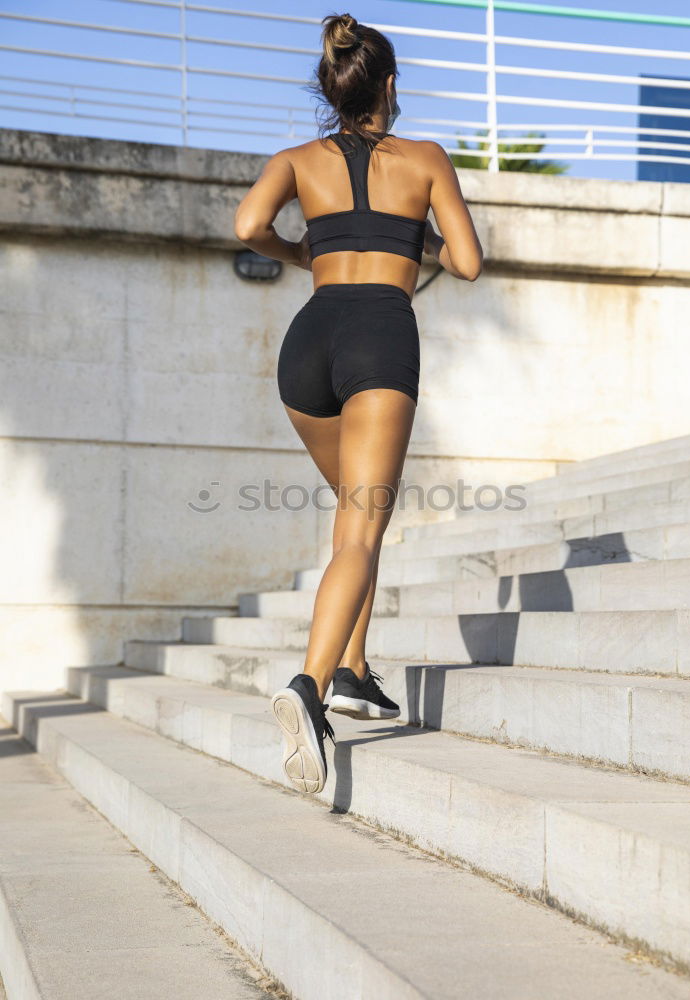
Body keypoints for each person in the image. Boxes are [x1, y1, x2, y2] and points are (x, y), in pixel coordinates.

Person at [234, 12, 483, 794]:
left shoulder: (295, 159)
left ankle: (352, 669)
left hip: (307, 341)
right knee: (365, 527)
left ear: (333, 86)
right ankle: (310, 688)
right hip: (379, 333)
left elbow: (247, 226)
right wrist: (410, 239)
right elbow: (469, 263)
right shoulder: (427, 159)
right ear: (391, 85)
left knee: (352, 508)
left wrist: (302, 250)